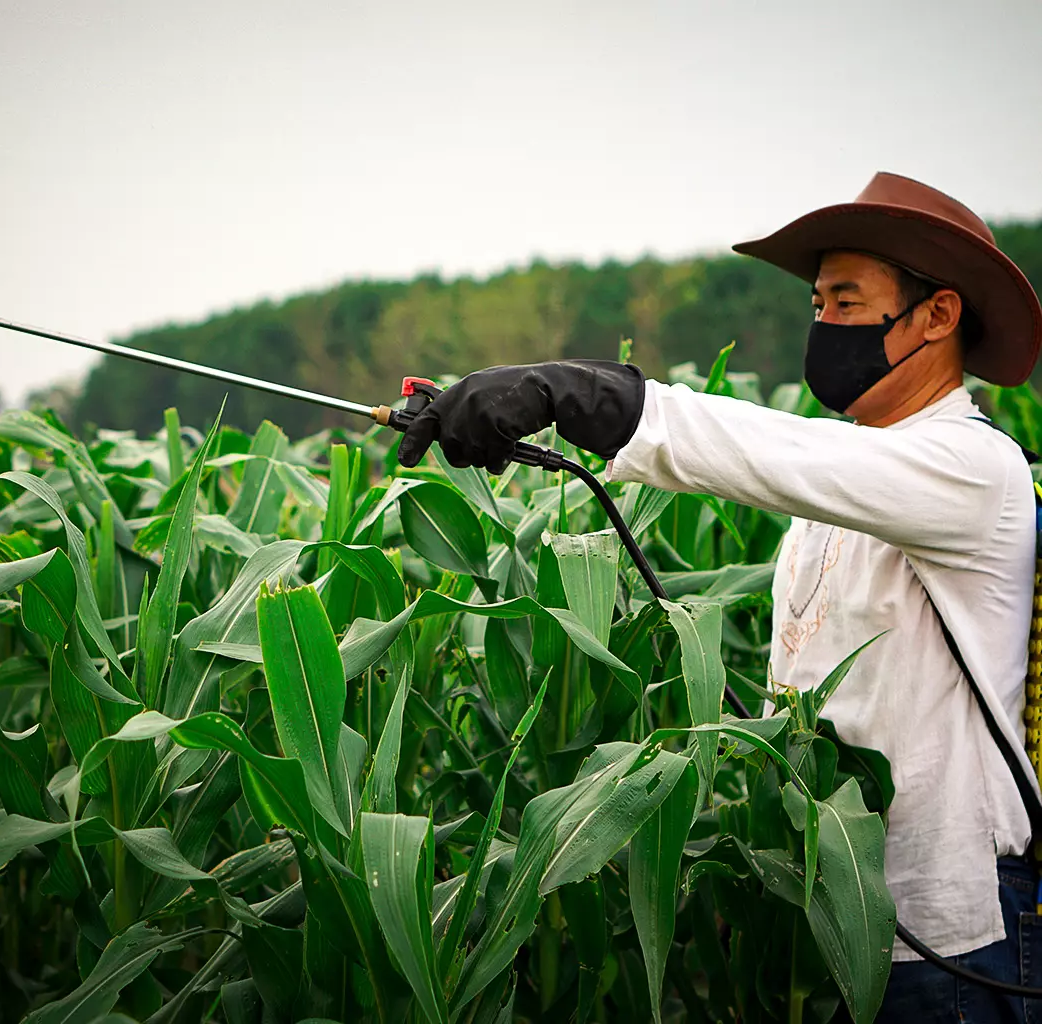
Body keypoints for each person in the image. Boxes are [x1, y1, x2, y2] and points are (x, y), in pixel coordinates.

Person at [396, 172, 1042, 1021]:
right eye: (817, 304)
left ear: (939, 315)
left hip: (949, 935)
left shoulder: (970, 466)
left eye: (847, 302)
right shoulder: (842, 495)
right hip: (834, 919)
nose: (823, 325)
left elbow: (774, 452)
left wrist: (579, 396)